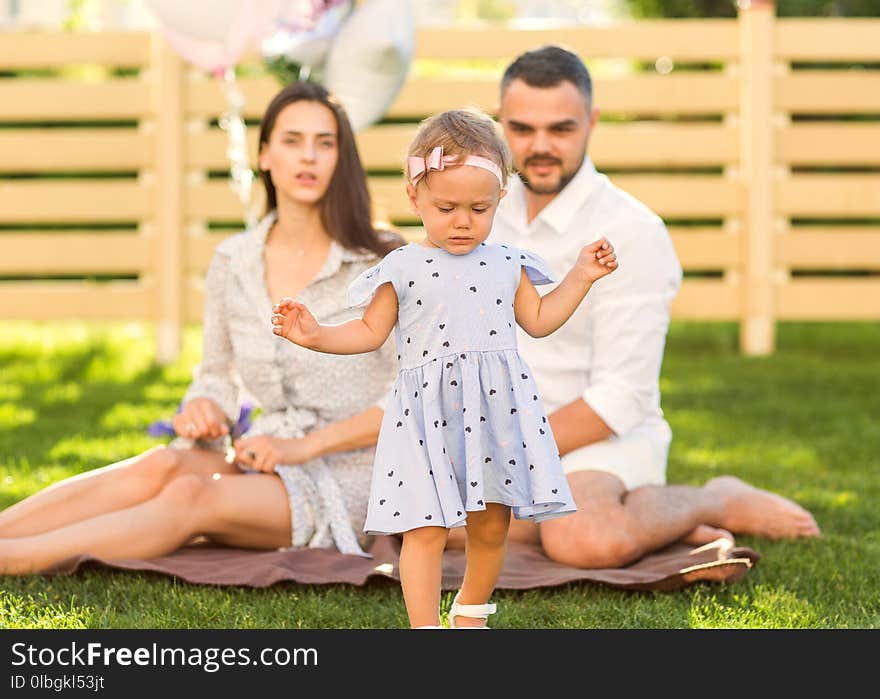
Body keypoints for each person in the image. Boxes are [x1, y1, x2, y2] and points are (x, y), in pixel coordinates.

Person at [0, 82, 404, 575]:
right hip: (267, 455)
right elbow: (215, 373)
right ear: (264, 154)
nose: (309, 157)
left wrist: (305, 447)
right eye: (292, 140)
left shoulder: (380, 263)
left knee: (192, 494)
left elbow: (413, 395)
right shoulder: (233, 261)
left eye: (325, 143)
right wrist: (201, 407)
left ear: (341, 158)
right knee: (161, 465)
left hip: (357, 474)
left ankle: (10, 559)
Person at [451, 45, 820, 569]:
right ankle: (604, 519)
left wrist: (501, 456)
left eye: (561, 129)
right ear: (499, 125)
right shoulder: (478, 211)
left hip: (598, 439)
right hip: (500, 435)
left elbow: (621, 398)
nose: (540, 146)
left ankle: (717, 498)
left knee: (583, 539)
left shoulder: (633, 231)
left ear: (592, 122)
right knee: (427, 523)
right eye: (522, 129)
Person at [271, 109, 618, 628]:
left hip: (495, 414)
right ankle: (425, 628)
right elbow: (368, 332)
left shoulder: (507, 263)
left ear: (501, 197)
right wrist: (316, 334)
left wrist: (582, 276)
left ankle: (471, 610)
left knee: (491, 520)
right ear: (414, 198)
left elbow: (541, 319)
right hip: (425, 417)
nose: (463, 221)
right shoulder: (401, 267)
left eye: (479, 208)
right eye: (446, 207)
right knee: (425, 527)